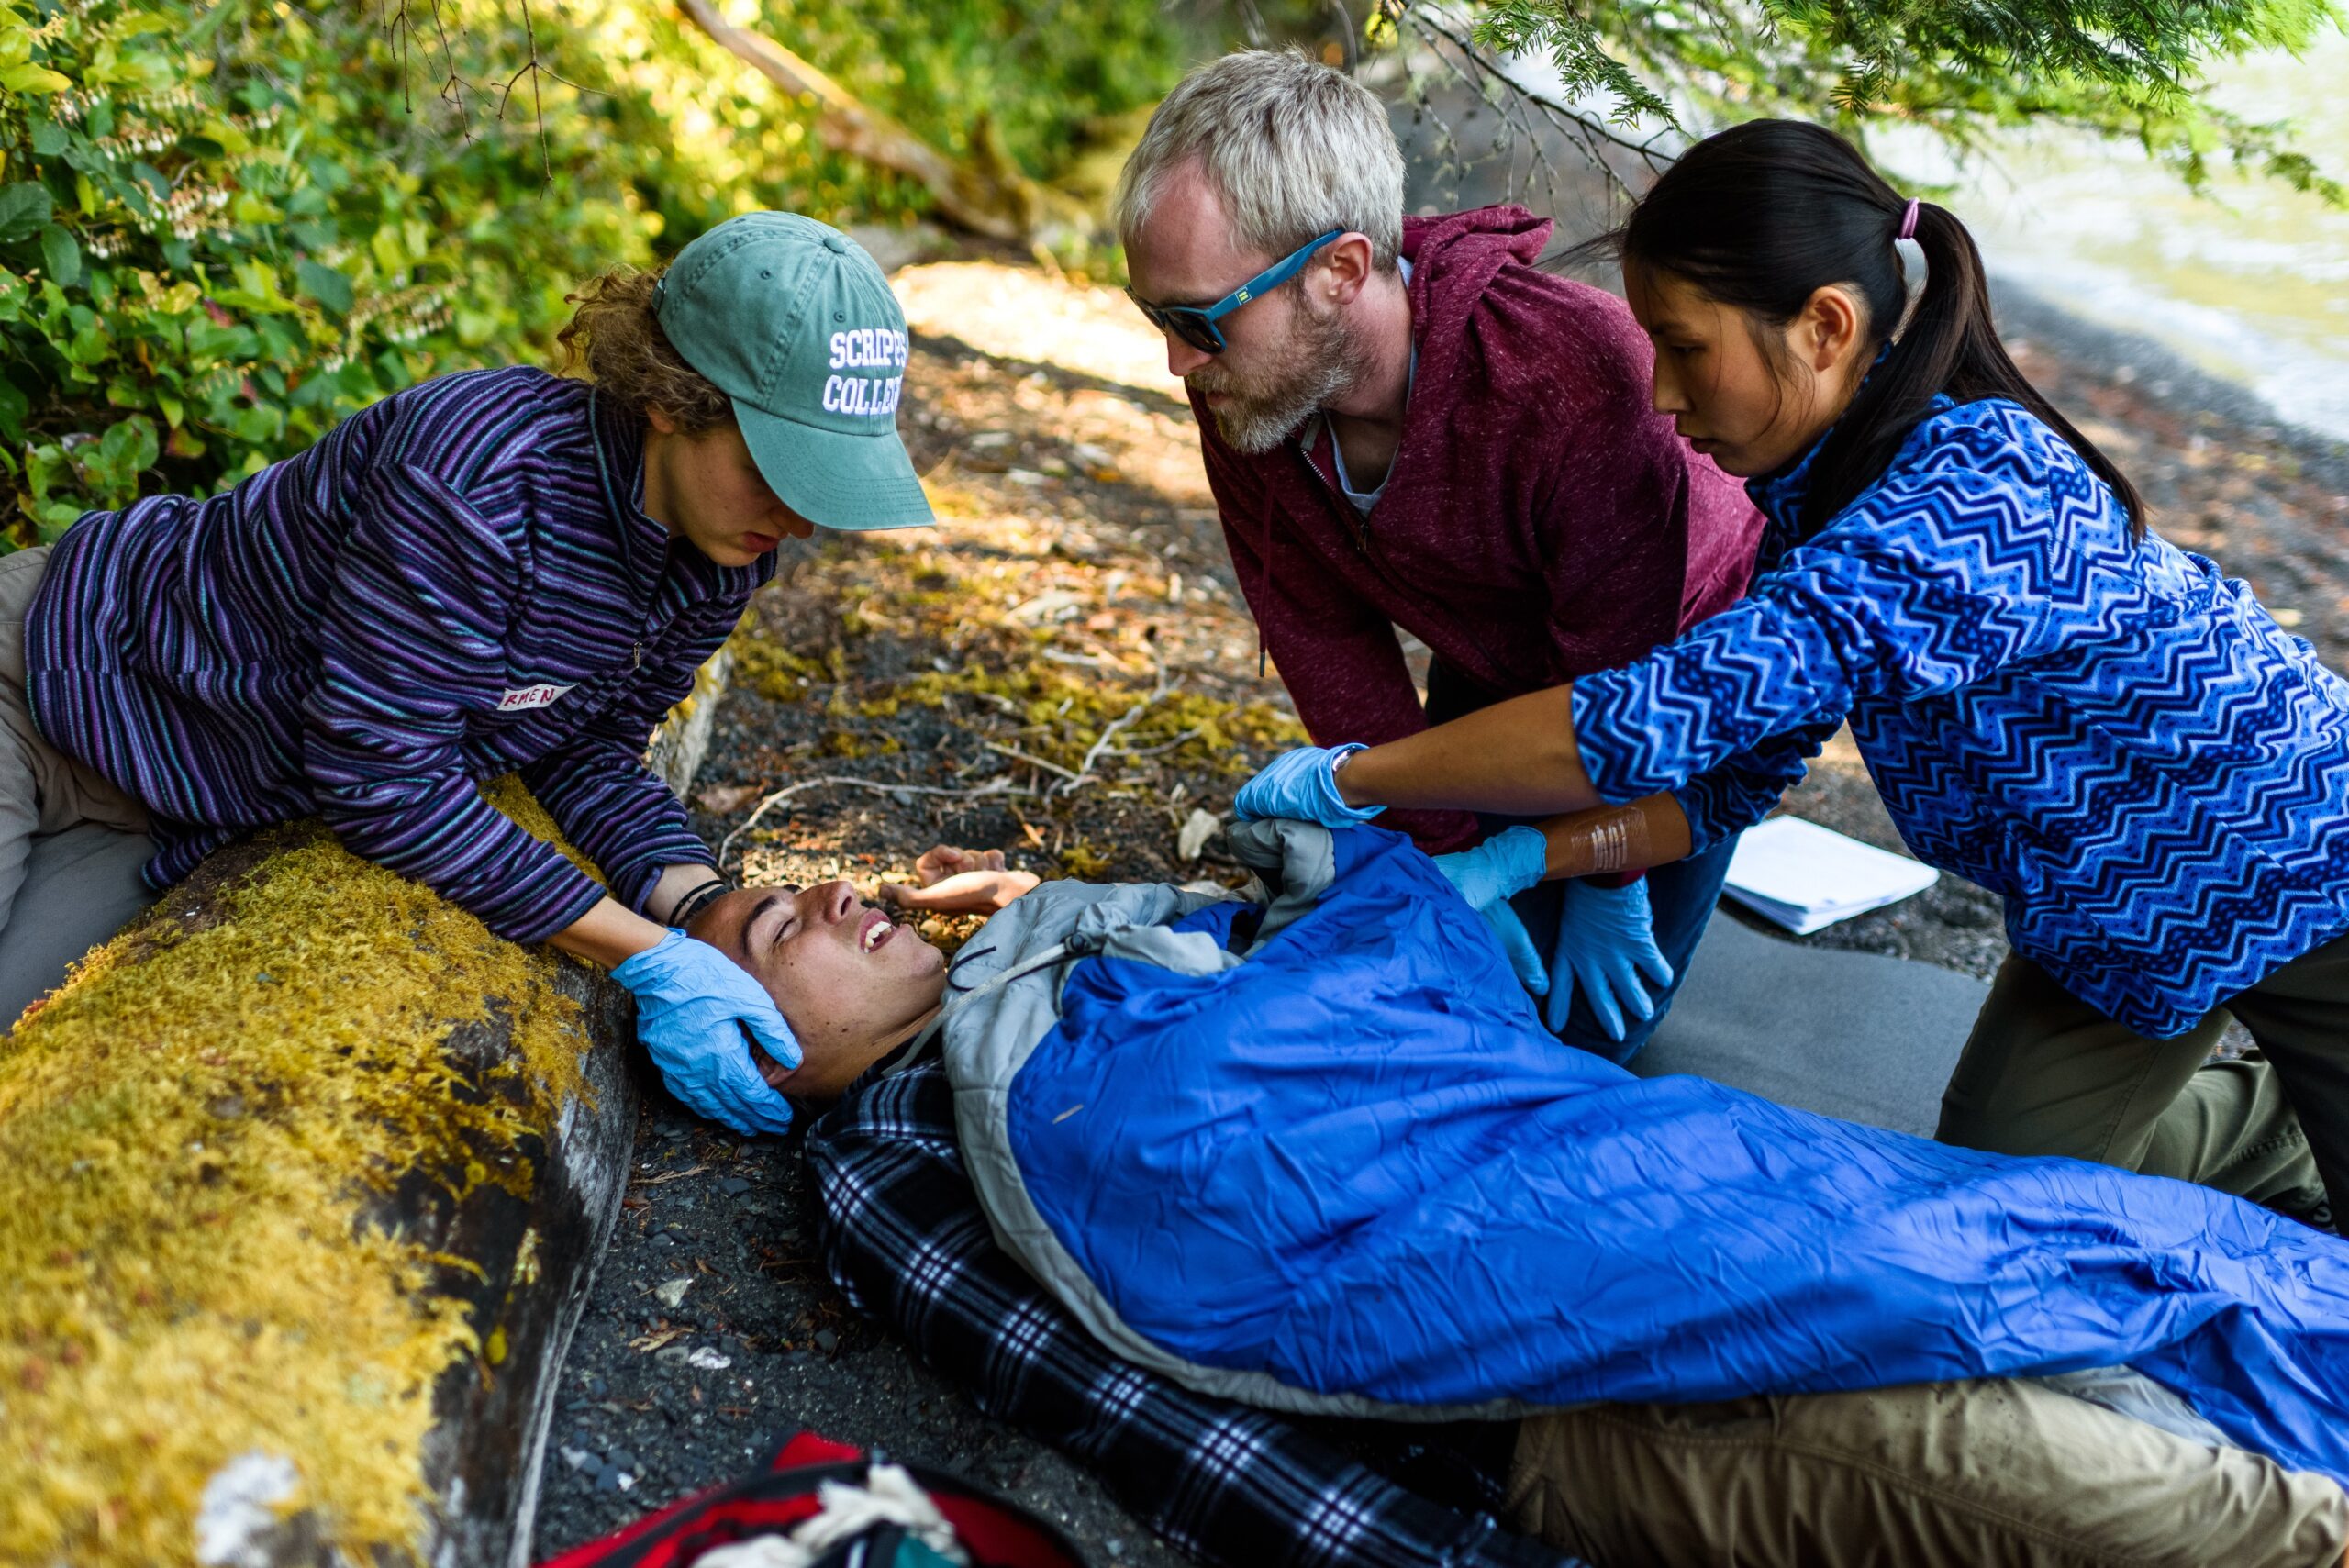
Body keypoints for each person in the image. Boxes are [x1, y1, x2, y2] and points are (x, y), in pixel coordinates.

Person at [1231, 117, 2349, 1226]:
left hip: (2300, 861)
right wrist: (1529, 855)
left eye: (1684, 346)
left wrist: (1359, 778)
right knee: (1996, 1198)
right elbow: (1725, 782)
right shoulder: (1817, 509)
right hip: (2116, 913)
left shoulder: (1977, 489)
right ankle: (2274, 1127)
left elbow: (1647, 719)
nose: (1662, 398)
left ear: (1823, 326)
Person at [689, 838, 2349, 1568]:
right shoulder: (892, 1163)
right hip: (1574, 1388)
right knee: (2177, 1502)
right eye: (781, 928)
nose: (834, 889)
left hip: (1646, 1187)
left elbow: (1386, 1002)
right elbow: (1124, 1394)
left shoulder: (1068, 973)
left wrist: (1093, 920)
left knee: (2158, 1267)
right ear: (762, 1058)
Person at [1, 212, 935, 1138]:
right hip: (54, 682)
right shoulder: (480, 477)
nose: (800, 520)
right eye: (777, 468)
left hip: (188, 801)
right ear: (670, 398)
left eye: (823, 487)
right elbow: (380, 775)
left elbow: (588, 749)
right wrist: (644, 953)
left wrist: (699, 907)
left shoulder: (719, 554)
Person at [1111, 50, 1767, 1057]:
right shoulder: (1247, 388)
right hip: (1495, 656)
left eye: (1198, 321)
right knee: (1424, 976)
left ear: (1336, 270)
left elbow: (1624, 683)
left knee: (1572, 1041)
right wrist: (1448, 849)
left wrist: (1600, 872)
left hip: (1679, 676)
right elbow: (1327, 640)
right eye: (1157, 316)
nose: (1177, 360)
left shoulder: (1570, 379)